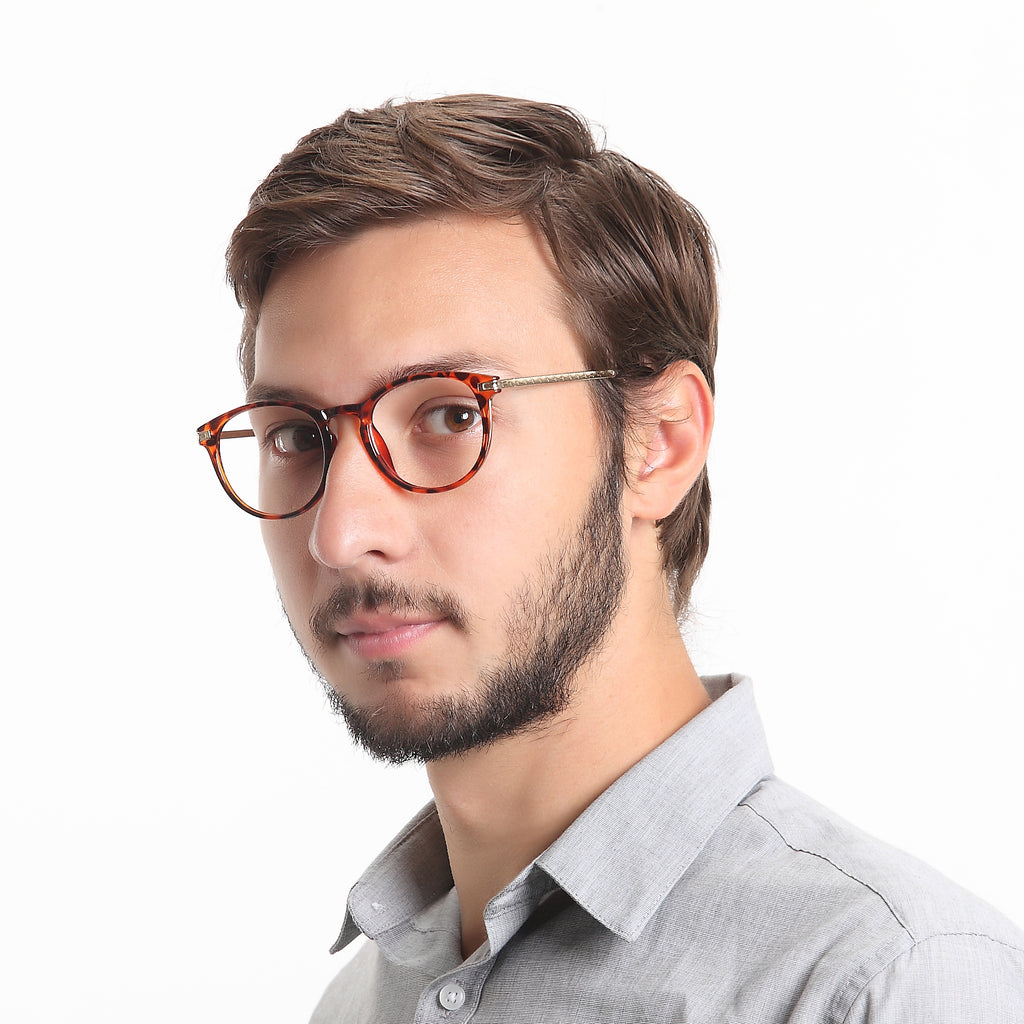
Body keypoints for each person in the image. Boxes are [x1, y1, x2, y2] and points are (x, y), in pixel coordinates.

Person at [197, 95, 1024, 1022]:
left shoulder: (888, 984)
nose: (340, 533)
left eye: (451, 414)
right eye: (296, 436)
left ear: (659, 443)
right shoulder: (359, 1003)